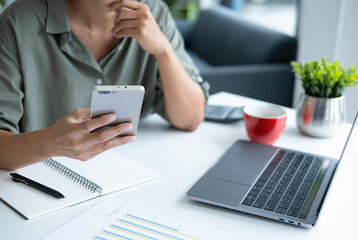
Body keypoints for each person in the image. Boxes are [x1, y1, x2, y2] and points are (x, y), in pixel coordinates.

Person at [0, 0, 209, 170]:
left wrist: (164, 51)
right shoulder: (19, 22)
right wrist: (52, 143)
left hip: (132, 177)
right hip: (39, 183)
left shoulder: (153, 14)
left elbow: (190, 118)